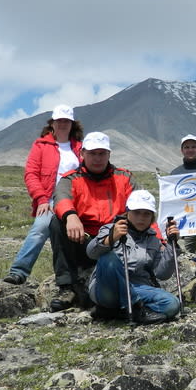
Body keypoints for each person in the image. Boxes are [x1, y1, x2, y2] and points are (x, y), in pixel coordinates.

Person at [49, 131, 137, 311]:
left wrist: (159, 239)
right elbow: (61, 198)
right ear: (82, 153)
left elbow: (142, 207)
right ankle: (67, 287)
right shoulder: (71, 178)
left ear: (109, 154)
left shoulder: (125, 178)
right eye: (92, 153)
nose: (97, 158)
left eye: (102, 153)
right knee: (57, 222)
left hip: (116, 240)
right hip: (83, 240)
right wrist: (70, 215)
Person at [4, 105, 83, 285]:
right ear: (52, 123)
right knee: (40, 228)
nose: (62, 124)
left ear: (72, 124)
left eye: (66, 121)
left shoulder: (80, 147)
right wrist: (41, 199)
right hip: (50, 200)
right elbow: (31, 174)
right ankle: (18, 272)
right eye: (59, 120)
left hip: (76, 201)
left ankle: (78, 273)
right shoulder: (41, 145)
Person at [86, 190, 180, 325]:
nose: (141, 218)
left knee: (172, 304)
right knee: (108, 258)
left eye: (147, 214)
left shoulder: (154, 240)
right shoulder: (110, 229)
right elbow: (91, 253)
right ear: (127, 212)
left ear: (152, 217)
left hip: (138, 288)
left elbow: (162, 274)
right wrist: (112, 238)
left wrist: (172, 244)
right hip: (108, 289)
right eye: (136, 212)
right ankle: (135, 308)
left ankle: (115, 312)